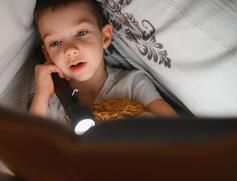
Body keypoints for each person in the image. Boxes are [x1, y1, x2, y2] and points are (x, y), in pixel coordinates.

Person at [30, 0, 177, 125]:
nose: (69, 50)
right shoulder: (51, 104)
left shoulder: (132, 84)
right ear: (47, 54)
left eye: (81, 33)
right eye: (55, 43)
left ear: (105, 37)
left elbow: (177, 131)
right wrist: (41, 94)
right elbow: (31, 147)